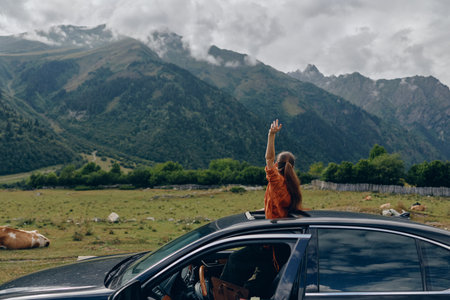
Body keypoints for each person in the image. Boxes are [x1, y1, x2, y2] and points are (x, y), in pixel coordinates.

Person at [219, 119, 302, 297]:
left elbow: (268, 158)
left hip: (269, 242)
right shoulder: (292, 185)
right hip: (278, 241)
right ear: (292, 167)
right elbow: (279, 208)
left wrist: (271, 135)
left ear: (278, 165)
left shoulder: (278, 182)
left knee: (235, 260)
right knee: (263, 280)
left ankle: (221, 295)